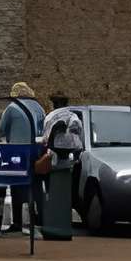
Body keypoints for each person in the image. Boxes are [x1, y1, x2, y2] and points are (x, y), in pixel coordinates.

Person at [0, 82, 45, 231]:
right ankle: (40, 220)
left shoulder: (12, 108)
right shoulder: (39, 108)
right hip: (37, 152)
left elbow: (1, 131)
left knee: (17, 186)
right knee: (36, 186)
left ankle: (17, 222)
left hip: (17, 152)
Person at [41, 90, 86, 239]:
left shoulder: (51, 117)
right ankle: (63, 226)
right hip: (68, 160)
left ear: (54, 103)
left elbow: (45, 140)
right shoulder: (74, 117)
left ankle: (53, 226)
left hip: (54, 160)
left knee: (51, 194)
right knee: (66, 197)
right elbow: (79, 142)